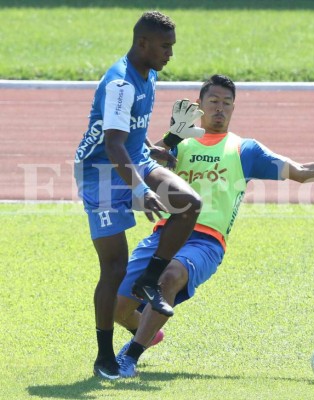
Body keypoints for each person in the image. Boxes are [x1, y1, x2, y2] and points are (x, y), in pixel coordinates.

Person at [113, 74, 314, 377]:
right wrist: (171, 137)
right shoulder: (182, 144)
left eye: (227, 103)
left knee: (170, 276)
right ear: (199, 105)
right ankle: (148, 330)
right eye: (213, 102)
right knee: (118, 308)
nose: (220, 109)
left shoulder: (245, 150)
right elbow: (144, 165)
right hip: (165, 235)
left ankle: (130, 357)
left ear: (234, 109)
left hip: (206, 243)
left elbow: (301, 172)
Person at [73, 11, 204, 380]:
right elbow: (113, 144)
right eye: (165, 46)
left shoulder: (150, 74)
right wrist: (141, 190)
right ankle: (103, 357)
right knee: (114, 268)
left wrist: (153, 150)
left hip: (134, 159)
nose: (170, 54)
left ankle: (151, 279)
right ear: (143, 43)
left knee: (189, 203)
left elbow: (130, 131)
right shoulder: (120, 83)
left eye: (172, 46)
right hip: (100, 172)